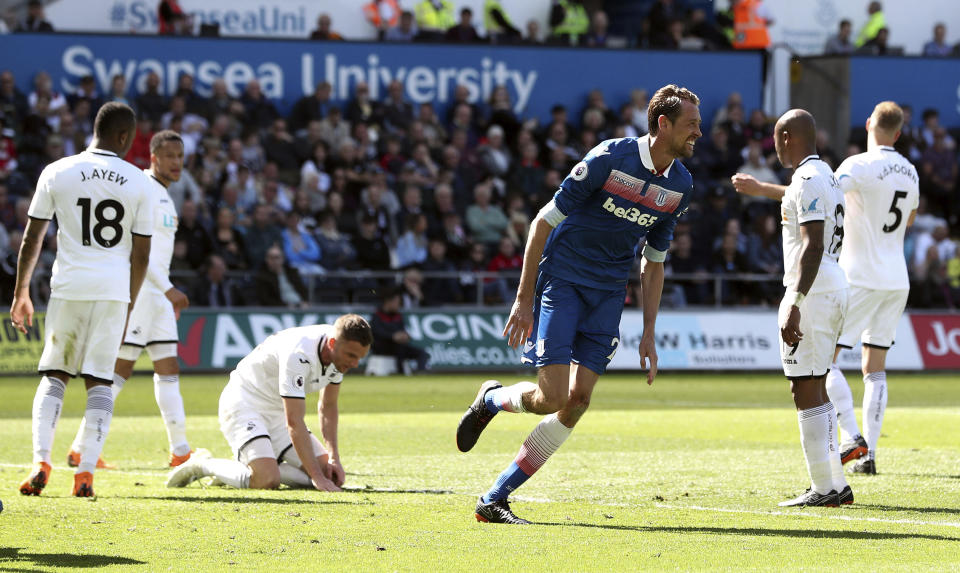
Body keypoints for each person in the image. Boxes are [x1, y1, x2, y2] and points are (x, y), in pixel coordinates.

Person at [455, 85, 702, 524]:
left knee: (579, 400)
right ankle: (492, 398)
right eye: (691, 125)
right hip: (564, 280)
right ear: (663, 125)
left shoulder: (680, 185)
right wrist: (523, 299)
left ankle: (494, 498)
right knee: (551, 398)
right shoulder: (609, 157)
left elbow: (655, 261)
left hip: (608, 294)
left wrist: (648, 332)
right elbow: (542, 222)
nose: (698, 133)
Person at [12, 102, 153, 497]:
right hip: (112, 290)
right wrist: (128, 304)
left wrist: (22, 292)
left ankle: (41, 461)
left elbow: (32, 238)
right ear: (123, 136)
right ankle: (85, 472)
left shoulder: (57, 171)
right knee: (100, 382)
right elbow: (141, 255)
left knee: (55, 374)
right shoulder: (139, 182)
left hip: (69, 286)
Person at [731, 109, 851, 507]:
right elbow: (795, 201)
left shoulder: (809, 178)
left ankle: (823, 488)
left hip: (813, 289)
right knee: (815, 383)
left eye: (775, 139)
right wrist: (760, 188)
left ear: (786, 137)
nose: (774, 147)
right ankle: (835, 483)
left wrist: (793, 302)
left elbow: (812, 245)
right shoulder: (824, 175)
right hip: (831, 284)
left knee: (804, 388)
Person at [63, 130, 197, 469]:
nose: (176, 162)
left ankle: (180, 450)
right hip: (138, 293)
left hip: (159, 299)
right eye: (170, 156)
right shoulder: (142, 187)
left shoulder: (166, 195)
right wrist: (167, 289)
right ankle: (81, 447)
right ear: (153, 157)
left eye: (180, 157)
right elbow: (139, 250)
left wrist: (165, 293)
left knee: (169, 369)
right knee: (117, 373)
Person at [820, 102, 919, 476]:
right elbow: (908, 220)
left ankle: (852, 436)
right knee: (875, 368)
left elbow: (827, 195)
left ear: (868, 125)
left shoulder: (857, 164)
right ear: (898, 133)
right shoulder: (910, 171)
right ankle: (870, 455)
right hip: (897, 279)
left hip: (859, 275)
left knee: (826, 359)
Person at [166, 315, 372, 491]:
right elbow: (294, 421)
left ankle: (239, 470)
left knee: (329, 474)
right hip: (244, 403)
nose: (354, 364)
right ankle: (204, 465)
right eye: (351, 356)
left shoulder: (339, 352)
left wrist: (333, 458)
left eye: (359, 358)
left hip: (276, 410)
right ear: (333, 344)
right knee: (266, 480)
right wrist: (316, 477)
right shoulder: (299, 353)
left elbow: (328, 407)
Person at [370, 290, 430, 373]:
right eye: (397, 302)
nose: (399, 305)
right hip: (382, 347)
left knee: (422, 353)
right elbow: (376, 332)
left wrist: (405, 336)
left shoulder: (398, 316)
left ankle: (421, 373)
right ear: (388, 302)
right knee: (399, 349)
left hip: (398, 345)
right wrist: (392, 336)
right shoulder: (377, 315)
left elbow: (402, 330)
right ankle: (400, 373)